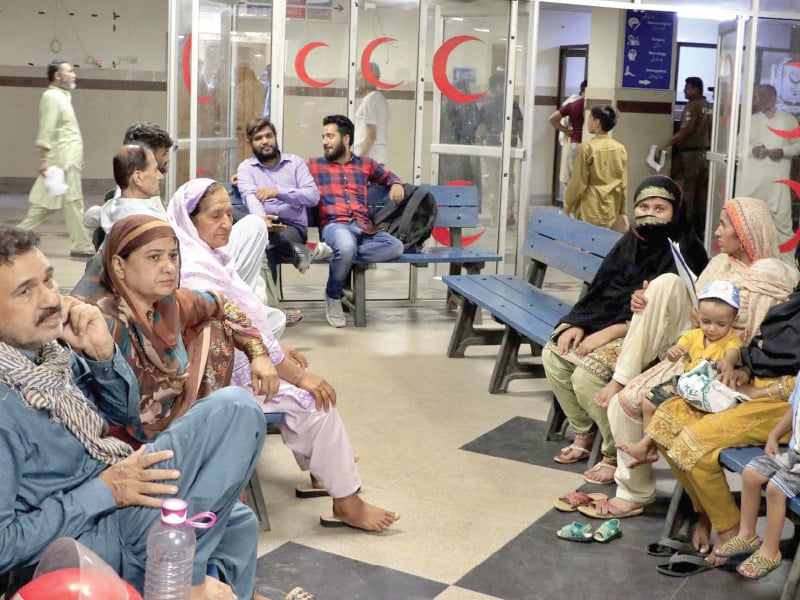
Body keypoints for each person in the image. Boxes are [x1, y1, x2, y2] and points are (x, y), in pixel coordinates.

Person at [0, 225, 272, 599]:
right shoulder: (6, 402)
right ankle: (184, 582)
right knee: (236, 410)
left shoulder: (48, 355)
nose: (50, 299)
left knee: (239, 522)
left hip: (110, 494)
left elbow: (121, 416)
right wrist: (104, 492)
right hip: (76, 542)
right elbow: (3, 547)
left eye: (48, 280)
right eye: (25, 291)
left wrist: (101, 356)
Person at [167, 181, 401, 531]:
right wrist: (296, 374)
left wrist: (278, 353)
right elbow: (233, 326)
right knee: (316, 400)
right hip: (214, 382)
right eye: (215, 216)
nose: (227, 224)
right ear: (190, 220)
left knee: (301, 380)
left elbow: (244, 319)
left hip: (229, 361)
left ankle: (326, 470)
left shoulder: (204, 256)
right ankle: (346, 502)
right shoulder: (196, 271)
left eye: (230, 214)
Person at [593, 197, 797, 535]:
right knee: (662, 288)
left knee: (655, 416)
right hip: (695, 346)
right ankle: (639, 491)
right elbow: (697, 317)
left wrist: (732, 360)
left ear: (745, 233)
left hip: (730, 367)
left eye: (724, 226)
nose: (716, 233)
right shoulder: (720, 263)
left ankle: (707, 517)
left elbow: (760, 346)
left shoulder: (773, 280)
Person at [542, 175, 708, 485]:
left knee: (586, 376)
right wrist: (578, 323)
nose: (649, 214)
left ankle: (612, 451)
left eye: (660, 208)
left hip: (656, 343)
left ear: (676, 210)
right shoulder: (630, 243)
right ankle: (585, 431)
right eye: (643, 207)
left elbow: (669, 317)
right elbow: (602, 291)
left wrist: (608, 332)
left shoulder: (685, 250)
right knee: (554, 353)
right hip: (614, 326)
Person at [617, 281, 743, 467]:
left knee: (667, 409)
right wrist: (673, 352)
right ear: (697, 315)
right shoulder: (694, 335)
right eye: (706, 321)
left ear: (734, 320)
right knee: (648, 401)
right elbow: (676, 352)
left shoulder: (730, 341)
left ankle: (645, 446)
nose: (711, 329)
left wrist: (728, 363)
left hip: (707, 390)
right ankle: (649, 447)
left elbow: (734, 352)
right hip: (685, 383)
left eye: (721, 324)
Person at [306, 115, 405, 328]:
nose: (325, 141)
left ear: (346, 139)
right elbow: (283, 176)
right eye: (324, 136)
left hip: (364, 227)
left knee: (395, 247)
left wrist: (396, 184)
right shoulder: (313, 165)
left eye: (330, 136)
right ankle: (333, 296)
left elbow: (388, 177)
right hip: (335, 226)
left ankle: (340, 254)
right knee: (346, 245)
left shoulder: (366, 165)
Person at [713, 387, 799, 580]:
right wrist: (774, 435)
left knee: (776, 488)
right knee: (752, 473)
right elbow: (794, 408)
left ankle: (770, 551)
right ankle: (747, 534)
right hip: (794, 455)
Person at [17, 60, 94, 258]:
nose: (74, 74)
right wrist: (44, 159)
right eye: (70, 71)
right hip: (61, 161)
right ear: (58, 76)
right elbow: (47, 129)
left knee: (48, 204)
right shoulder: (52, 97)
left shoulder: (63, 96)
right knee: (71, 202)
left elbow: (65, 131)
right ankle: (82, 245)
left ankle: (13, 237)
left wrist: (78, 157)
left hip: (68, 159)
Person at [236, 117, 324, 282]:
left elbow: (313, 197)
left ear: (275, 136)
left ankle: (268, 304)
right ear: (249, 143)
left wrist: (277, 192)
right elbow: (250, 196)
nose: (265, 141)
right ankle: (300, 250)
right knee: (234, 212)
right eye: (258, 138)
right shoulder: (246, 168)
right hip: (261, 223)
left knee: (265, 246)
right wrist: (261, 220)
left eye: (268, 136)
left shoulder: (295, 163)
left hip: (291, 227)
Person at [736, 84, 800, 263]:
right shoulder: (751, 120)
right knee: (749, 224)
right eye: (759, 95)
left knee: (783, 228)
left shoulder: (788, 120)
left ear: (774, 96)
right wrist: (753, 150)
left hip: (778, 184)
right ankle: (749, 266)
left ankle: (789, 272)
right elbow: (738, 146)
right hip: (753, 183)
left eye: (765, 95)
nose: (762, 99)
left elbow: (798, 144)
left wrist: (783, 152)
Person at [657, 77, 713, 238]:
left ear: (696, 89)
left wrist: (665, 145)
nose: (685, 91)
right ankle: (702, 227)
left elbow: (685, 130)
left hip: (691, 154)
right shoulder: (709, 107)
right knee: (702, 194)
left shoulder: (691, 106)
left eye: (687, 88)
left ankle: (687, 228)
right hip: (707, 154)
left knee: (689, 192)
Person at [563, 105, 628, 230]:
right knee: (605, 246)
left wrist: (567, 208)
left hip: (590, 207)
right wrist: (623, 212)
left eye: (589, 118)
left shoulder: (586, 148)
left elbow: (578, 182)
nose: (587, 122)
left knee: (587, 245)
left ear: (597, 122)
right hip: (611, 208)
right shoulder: (620, 149)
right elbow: (623, 183)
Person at [475, 70, 523, 225]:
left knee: (494, 181)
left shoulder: (487, 107)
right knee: (508, 179)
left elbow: (481, 131)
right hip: (510, 147)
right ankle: (507, 211)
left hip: (492, 148)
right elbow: (520, 128)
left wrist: (476, 149)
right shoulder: (513, 106)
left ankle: (496, 215)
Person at [549, 79, 587, 185]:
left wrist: (566, 130)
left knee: (573, 181)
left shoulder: (573, 104)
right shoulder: (594, 107)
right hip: (590, 145)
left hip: (574, 143)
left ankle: (571, 200)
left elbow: (552, 119)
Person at [353, 62, 389, 164]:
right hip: (375, 159)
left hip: (368, 160)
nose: (357, 79)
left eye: (359, 74)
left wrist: (359, 160)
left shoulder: (370, 100)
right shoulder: (379, 98)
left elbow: (371, 134)